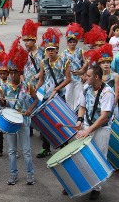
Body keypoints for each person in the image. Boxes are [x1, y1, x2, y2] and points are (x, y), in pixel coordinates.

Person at [1, 37, 38, 185]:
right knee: (11, 151)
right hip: (10, 123)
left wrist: (29, 109)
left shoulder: (27, 85)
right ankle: (13, 175)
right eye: (11, 72)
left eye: (15, 72)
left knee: (27, 151)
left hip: (23, 122)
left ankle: (30, 175)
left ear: (20, 72)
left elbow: (35, 100)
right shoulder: (4, 87)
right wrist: (2, 102)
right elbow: (2, 107)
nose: (12, 75)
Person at [75, 65, 115, 200]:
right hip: (88, 124)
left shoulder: (107, 93)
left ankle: (96, 188)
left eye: (88, 75)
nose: (85, 77)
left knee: (99, 156)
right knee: (81, 154)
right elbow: (82, 106)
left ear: (96, 77)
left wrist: (87, 131)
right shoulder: (86, 88)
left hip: (102, 128)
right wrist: (80, 120)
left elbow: (104, 117)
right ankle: (81, 183)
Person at [35, 27, 71, 158]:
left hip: (59, 95)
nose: (50, 52)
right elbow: (41, 81)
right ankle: (46, 148)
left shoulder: (64, 61)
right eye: (48, 50)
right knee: (46, 121)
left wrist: (57, 89)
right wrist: (34, 90)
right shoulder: (43, 62)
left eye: (52, 49)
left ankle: (64, 146)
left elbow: (68, 79)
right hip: (47, 95)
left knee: (60, 120)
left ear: (57, 49)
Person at [62, 23, 87, 110]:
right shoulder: (64, 53)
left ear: (76, 42)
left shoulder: (80, 51)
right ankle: (68, 111)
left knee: (78, 96)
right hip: (68, 77)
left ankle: (76, 112)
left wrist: (83, 73)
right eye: (70, 42)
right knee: (68, 95)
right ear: (67, 43)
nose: (72, 43)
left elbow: (85, 63)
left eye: (74, 42)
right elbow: (62, 65)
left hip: (78, 77)